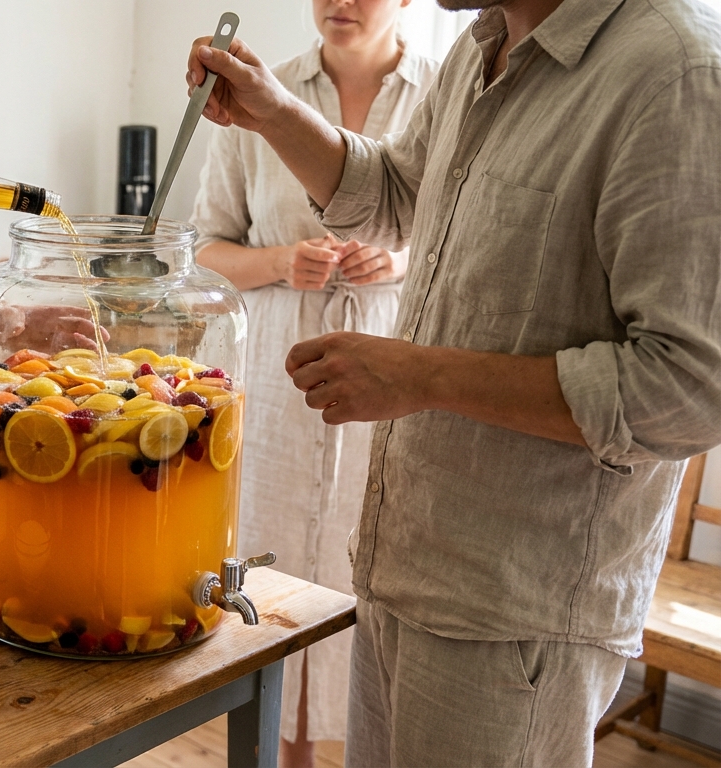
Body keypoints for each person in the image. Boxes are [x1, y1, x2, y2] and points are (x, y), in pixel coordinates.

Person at [186, 0, 721, 764]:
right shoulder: (484, 49)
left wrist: (419, 375)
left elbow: (692, 389)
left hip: (516, 612)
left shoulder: (677, 72)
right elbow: (397, 194)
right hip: (406, 561)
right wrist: (273, 112)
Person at [188, 1, 436, 764]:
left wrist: (396, 259)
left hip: (390, 373)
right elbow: (202, 248)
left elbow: (466, 243)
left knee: (373, 567)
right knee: (271, 568)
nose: (341, 2)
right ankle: (270, 749)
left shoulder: (443, 94)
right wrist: (280, 263)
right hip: (274, 375)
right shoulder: (263, 94)